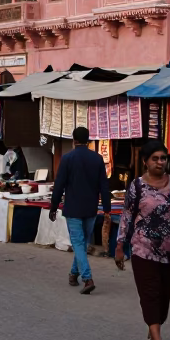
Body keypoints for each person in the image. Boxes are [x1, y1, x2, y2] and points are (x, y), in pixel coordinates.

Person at [115, 140, 170, 340]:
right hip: (142, 247)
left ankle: (154, 327)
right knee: (149, 291)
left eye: (163, 158)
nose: (160, 162)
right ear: (145, 162)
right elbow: (127, 216)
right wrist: (120, 245)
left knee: (164, 293)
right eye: (155, 158)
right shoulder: (137, 186)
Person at [49, 126, 111, 295]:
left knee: (78, 242)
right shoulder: (97, 159)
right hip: (91, 208)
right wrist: (107, 208)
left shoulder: (67, 158)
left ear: (74, 140)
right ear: (89, 140)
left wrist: (53, 206)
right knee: (82, 243)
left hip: (73, 208)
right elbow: (104, 186)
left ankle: (87, 278)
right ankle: (73, 274)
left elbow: (59, 185)